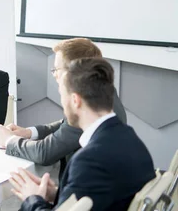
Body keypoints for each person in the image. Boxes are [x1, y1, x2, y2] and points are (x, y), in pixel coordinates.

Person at [10, 57, 155, 211]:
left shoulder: (89, 160)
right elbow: (97, 196)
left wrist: (32, 199)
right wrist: (57, 194)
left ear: (75, 100)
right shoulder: (129, 138)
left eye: (62, 95)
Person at [0, 38, 127, 171]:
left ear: (75, 71)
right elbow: (66, 125)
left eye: (57, 69)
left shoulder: (89, 108)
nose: (55, 75)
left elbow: (45, 153)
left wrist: (9, 140)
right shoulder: (104, 94)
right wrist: (28, 132)